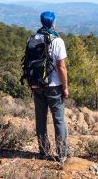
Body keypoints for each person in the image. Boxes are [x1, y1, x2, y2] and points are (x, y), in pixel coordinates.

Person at [31, 11, 69, 163]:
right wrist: (65, 87)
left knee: (40, 120)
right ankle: (62, 154)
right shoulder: (57, 40)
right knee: (58, 120)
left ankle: (43, 151)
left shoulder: (33, 38)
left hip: (37, 85)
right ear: (53, 23)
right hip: (53, 86)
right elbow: (61, 67)